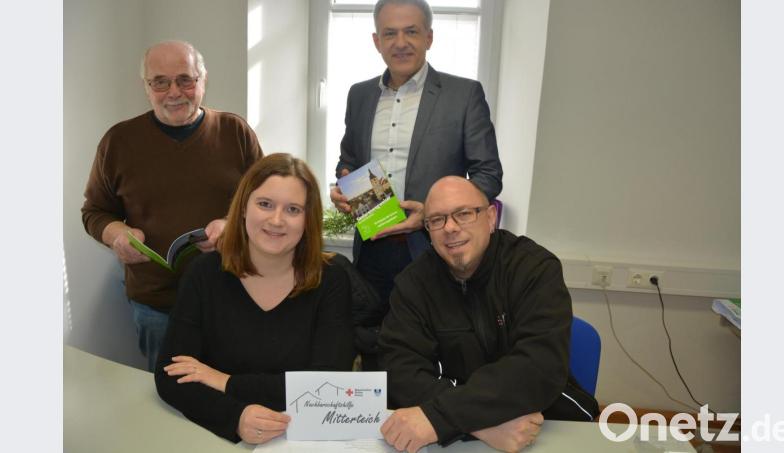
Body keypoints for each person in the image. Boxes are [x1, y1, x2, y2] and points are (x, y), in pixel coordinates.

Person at [330, 0, 503, 369]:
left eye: (411, 31)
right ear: (376, 41)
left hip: (435, 248)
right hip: (372, 248)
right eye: (390, 33)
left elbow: (488, 174)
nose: (401, 42)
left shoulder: (463, 94)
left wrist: (432, 213)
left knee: (433, 355)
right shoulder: (359, 95)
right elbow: (348, 159)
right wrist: (342, 185)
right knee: (375, 351)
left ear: (429, 37)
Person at [378, 176, 600, 453]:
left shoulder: (534, 269)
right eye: (436, 220)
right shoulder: (413, 283)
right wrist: (480, 427)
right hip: (453, 439)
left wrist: (443, 416)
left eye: (464, 214)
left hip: (542, 425)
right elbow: (399, 370)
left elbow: (538, 368)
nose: (450, 228)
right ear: (428, 231)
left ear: (491, 217)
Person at [81, 40, 263, 371]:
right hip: (156, 304)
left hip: (232, 294)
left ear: (203, 80)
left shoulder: (235, 132)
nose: (174, 92)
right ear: (146, 87)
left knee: (233, 388)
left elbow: (262, 203)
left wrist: (231, 225)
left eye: (185, 80)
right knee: (167, 392)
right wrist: (117, 234)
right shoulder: (118, 141)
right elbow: (95, 211)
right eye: (160, 82)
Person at [154, 154, 355, 444]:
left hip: (300, 439)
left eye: (293, 209)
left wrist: (223, 381)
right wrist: (235, 417)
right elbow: (171, 376)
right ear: (243, 208)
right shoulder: (203, 274)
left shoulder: (332, 280)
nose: (276, 220)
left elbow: (328, 385)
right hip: (215, 436)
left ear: (308, 219)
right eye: (265, 204)